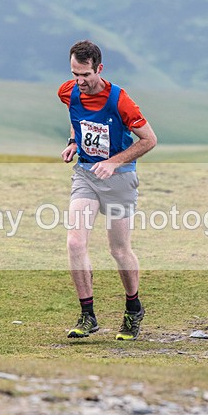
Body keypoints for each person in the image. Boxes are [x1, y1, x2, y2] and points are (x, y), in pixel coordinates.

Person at [58, 40, 158, 341]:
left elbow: (149, 140)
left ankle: (133, 308)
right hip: (86, 175)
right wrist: (73, 142)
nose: (80, 81)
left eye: (86, 74)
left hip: (119, 180)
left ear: (99, 69)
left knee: (118, 249)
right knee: (75, 243)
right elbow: (78, 120)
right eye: (75, 73)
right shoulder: (68, 92)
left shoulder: (120, 100)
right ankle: (87, 316)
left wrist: (114, 163)